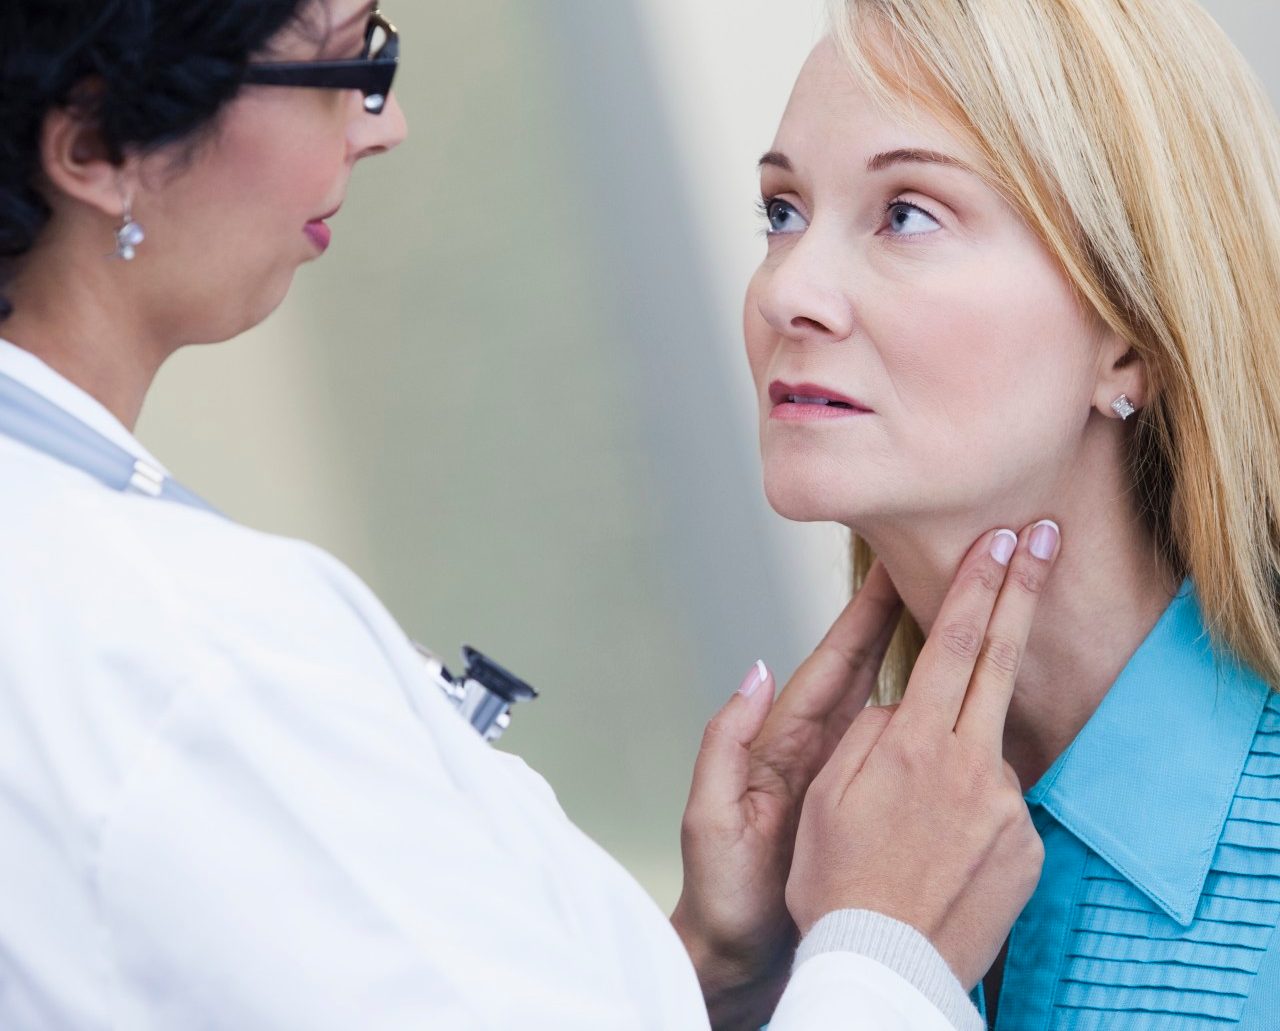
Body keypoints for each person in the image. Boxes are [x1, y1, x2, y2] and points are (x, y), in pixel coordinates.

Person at [0, 1, 1047, 1028]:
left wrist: (700, 970)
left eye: (907, 213)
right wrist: (887, 948)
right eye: (346, 65)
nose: (383, 123)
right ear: (95, 146)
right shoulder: (182, 645)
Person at [745, 0, 1280, 1025]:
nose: (785, 293)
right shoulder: (816, 868)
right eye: (780, 212)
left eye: (906, 211)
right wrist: (725, 982)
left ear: (1125, 337)